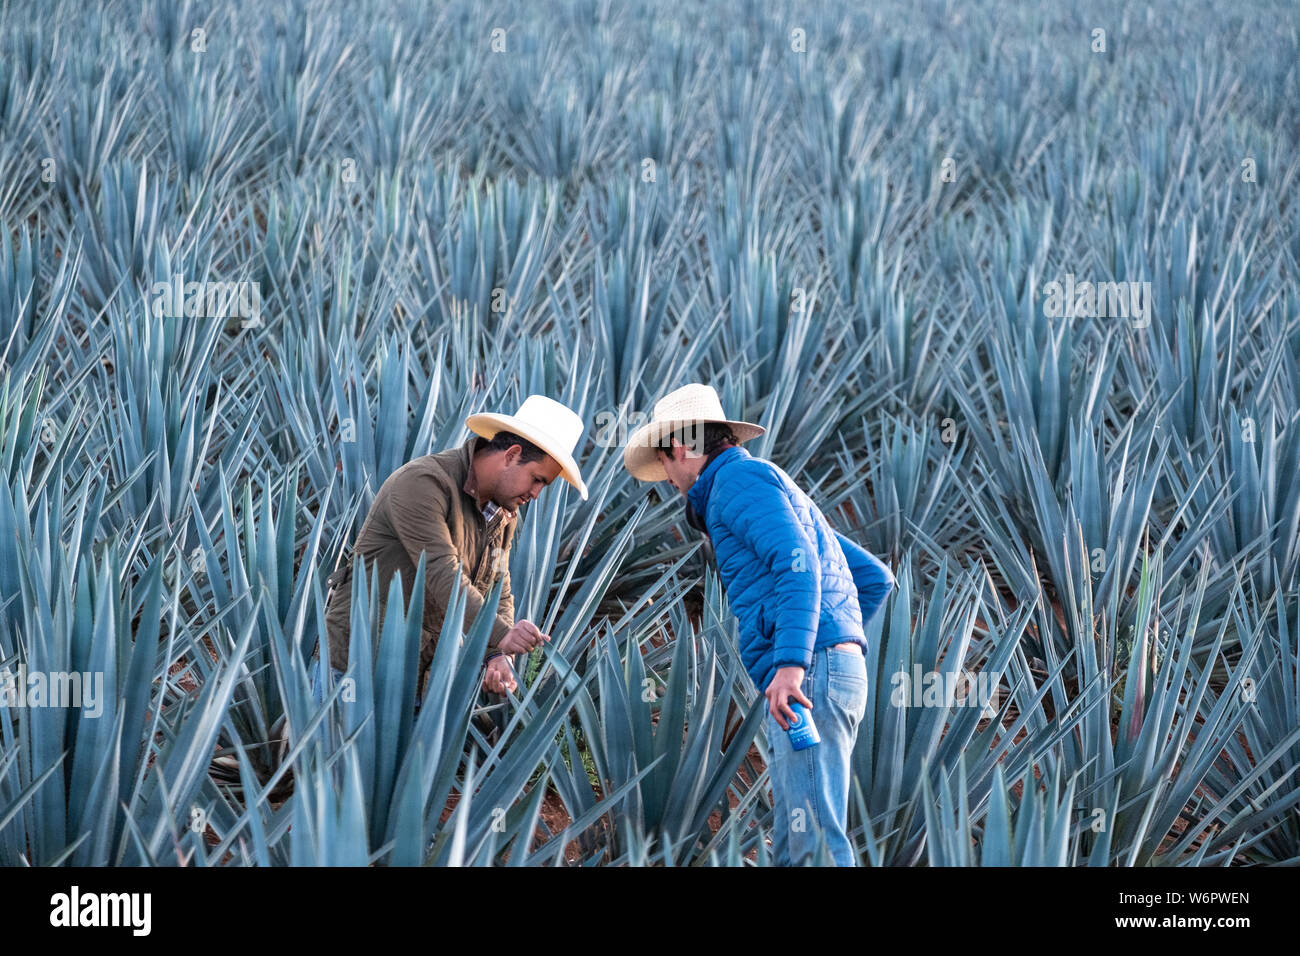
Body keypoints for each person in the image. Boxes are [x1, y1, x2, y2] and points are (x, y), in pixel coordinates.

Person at [623, 383, 894, 865]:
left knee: (815, 842)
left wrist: (794, 661)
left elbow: (800, 568)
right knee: (798, 838)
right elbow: (873, 578)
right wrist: (837, 641)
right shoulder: (768, 484)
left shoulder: (737, 485)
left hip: (806, 676)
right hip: (827, 673)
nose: (666, 476)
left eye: (664, 462)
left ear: (682, 447)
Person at [313, 395, 589, 704]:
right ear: (512, 455)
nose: (536, 494)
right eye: (537, 479)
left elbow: (499, 586)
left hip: (421, 677)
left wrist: (499, 654)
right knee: (329, 753)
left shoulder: (503, 512)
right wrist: (501, 635)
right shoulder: (423, 484)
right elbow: (442, 572)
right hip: (356, 665)